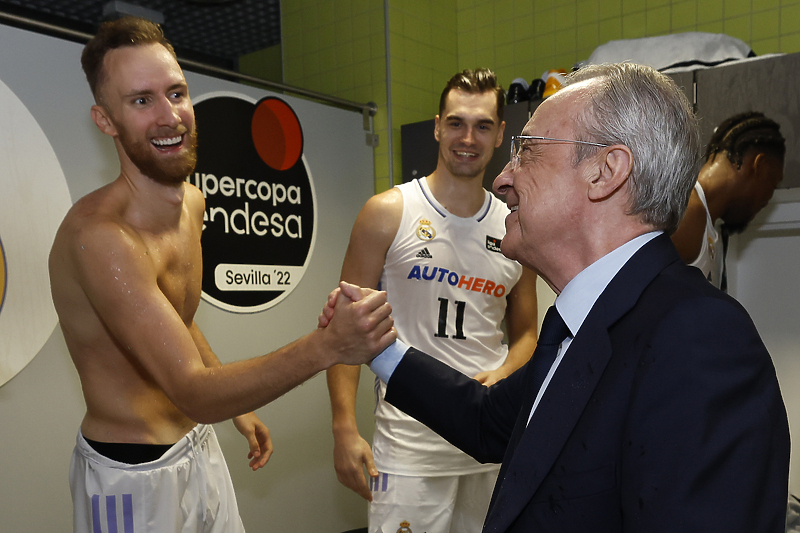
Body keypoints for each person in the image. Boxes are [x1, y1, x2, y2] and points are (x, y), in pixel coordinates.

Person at [322, 62, 790, 532]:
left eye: (526, 152)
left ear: (606, 172)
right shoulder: (587, 321)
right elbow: (487, 422)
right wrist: (378, 347)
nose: (502, 178)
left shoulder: (702, 339)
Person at [48, 16, 395, 533]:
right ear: (106, 120)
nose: (170, 116)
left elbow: (174, 319)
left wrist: (236, 411)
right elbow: (192, 389)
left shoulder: (192, 203)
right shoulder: (101, 239)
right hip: (133, 475)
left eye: (176, 93)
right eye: (142, 101)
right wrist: (327, 346)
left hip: (197, 445)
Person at [326, 69, 539, 533]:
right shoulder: (387, 213)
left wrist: (503, 373)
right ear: (438, 125)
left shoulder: (516, 225)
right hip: (409, 448)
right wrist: (344, 426)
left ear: (501, 133)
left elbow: (526, 333)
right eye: (457, 123)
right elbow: (343, 333)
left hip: (490, 444)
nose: (469, 137)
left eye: (483, 125)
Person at [671, 111, 785, 290]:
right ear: (759, 166)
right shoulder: (689, 213)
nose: (767, 200)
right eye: (773, 184)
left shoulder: (707, 222)